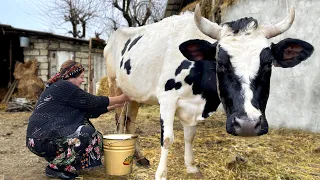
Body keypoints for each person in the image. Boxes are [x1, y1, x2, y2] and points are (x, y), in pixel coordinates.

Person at [26, 60, 129, 179]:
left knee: (97, 137)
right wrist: (121, 98)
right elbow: (93, 101)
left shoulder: (63, 90)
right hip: (41, 140)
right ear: (71, 77)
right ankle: (54, 168)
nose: (83, 80)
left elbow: (90, 110)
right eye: (81, 77)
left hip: (43, 138)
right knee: (86, 133)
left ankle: (62, 161)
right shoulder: (64, 86)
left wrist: (115, 105)